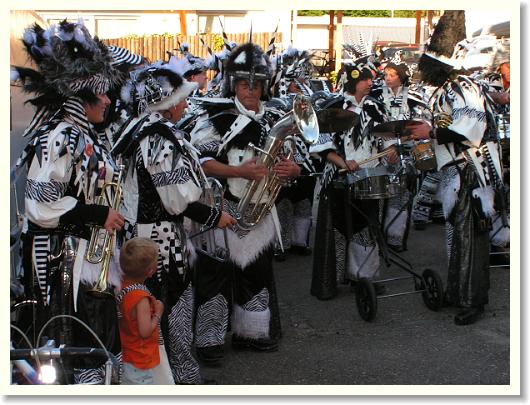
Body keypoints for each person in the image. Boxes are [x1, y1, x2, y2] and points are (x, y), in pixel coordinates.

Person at [13, 19, 124, 384]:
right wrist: (98, 213)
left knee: (92, 342)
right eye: (101, 93)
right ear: (80, 97)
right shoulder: (59, 137)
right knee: (70, 345)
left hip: (86, 261)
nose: (108, 100)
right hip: (63, 263)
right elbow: (40, 205)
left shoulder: (85, 135)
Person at [113, 62, 236, 384]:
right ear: (167, 104)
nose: (185, 105)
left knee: (160, 309)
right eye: (180, 99)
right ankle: (173, 381)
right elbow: (178, 200)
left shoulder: (137, 130)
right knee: (169, 309)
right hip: (158, 244)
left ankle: (170, 378)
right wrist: (215, 217)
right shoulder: (159, 140)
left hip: (142, 238)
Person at [190, 42, 300, 365]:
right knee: (215, 278)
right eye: (243, 84)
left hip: (261, 211)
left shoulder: (277, 117)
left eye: (256, 85)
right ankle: (210, 340)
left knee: (256, 273)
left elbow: (296, 163)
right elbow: (202, 163)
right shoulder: (215, 116)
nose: (250, 91)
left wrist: (291, 170)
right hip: (223, 207)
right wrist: (239, 171)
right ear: (233, 86)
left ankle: (250, 333)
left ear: (264, 86)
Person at [416, 10, 506, 325]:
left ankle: (472, 300)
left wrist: (430, 133)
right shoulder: (448, 88)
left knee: (471, 239)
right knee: (459, 237)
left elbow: (470, 129)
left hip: (472, 171)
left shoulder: (463, 86)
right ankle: (458, 292)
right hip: (458, 171)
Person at [310, 61, 391, 299]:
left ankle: (363, 278)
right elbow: (320, 144)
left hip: (369, 176)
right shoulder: (333, 107)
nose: (370, 83)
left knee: (365, 227)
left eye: (371, 79)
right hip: (339, 177)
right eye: (365, 79)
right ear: (353, 82)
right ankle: (330, 282)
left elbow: (387, 135)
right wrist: (342, 162)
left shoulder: (376, 106)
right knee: (336, 228)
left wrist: (391, 150)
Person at [368, 55, 432, 251]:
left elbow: (421, 127)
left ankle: (394, 238)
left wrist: (398, 145)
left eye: (393, 75)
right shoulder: (374, 96)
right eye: (386, 74)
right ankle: (374, 237)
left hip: (405, 151)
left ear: (402, 77)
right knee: (377, 196)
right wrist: (385, 147)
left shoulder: (414, 99)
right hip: (378, 152)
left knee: (400, 196)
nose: (388, 78)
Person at [269, 46, 318, 261]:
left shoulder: (307, 100)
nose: (301, 83)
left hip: (305, 160)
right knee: (282, 203)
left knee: (304, 201)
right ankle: (281, 244)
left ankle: (300, 241)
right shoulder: (273, 103)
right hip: (282, 158)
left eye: (303, 79)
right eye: (296, 81)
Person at [117, 237, 172, 385]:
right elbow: (145, 331)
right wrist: (158, 313)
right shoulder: (141, 298)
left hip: (126, 353)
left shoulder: (121, 285)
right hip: (140, 359)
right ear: (150, 271)